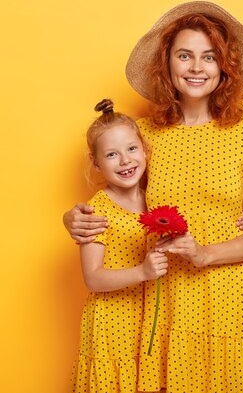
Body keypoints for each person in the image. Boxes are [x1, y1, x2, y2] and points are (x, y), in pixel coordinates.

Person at [64, 1, 243, 393]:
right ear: (168, 64)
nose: (197, 68)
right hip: (173, 297)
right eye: (185, 56)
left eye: (209, 57)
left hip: (238, 295)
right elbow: (118, 194)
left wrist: (207, 252)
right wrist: (73, 218)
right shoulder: (143, 135)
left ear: (225, 67)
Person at [71, 99, 168, 393]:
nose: (125, 161)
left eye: (131, 149)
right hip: (112, 327)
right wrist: (143, 271)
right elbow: (93, 277)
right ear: (96, 163)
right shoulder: (97, 211)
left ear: (145, 150)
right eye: (112, 154)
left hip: (150, 321)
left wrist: (241, 219)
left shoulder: (157, 196)